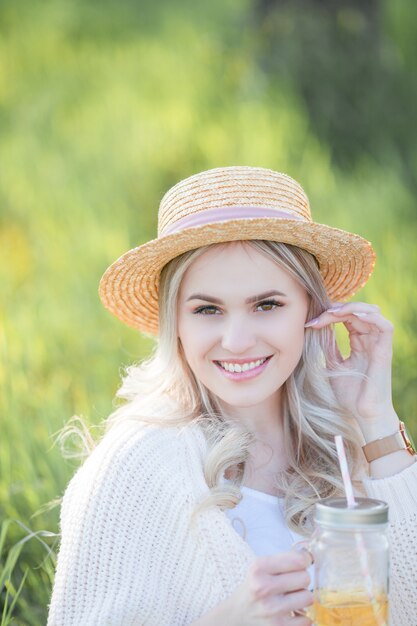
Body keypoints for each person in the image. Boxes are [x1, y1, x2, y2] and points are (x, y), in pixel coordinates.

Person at [47, 166, 417, 626]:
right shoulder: (134, 468)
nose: (237, 340)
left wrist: (376, 418)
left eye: (267, 305)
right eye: (207, 309)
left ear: (313, 310)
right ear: (175, 324)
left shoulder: (345, 445)